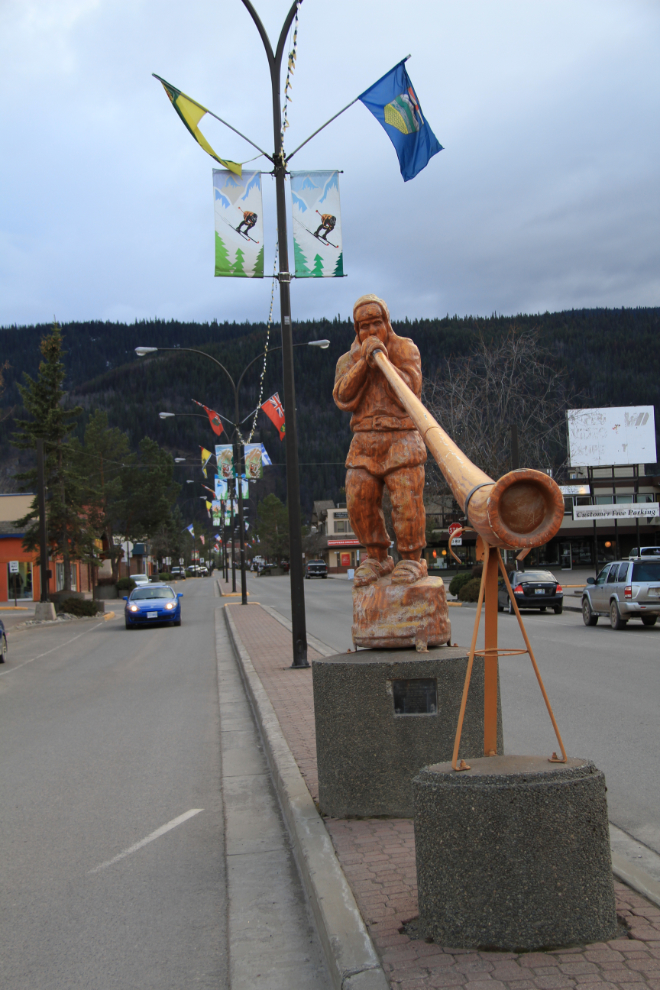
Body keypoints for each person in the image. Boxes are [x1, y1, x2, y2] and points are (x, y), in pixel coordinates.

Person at [333, 294, 427, 588]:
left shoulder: (405, 348)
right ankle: (377, 556)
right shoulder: (348, 360)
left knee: (406, 499)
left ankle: (411, 558)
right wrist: (365, 361)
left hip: (401, 436)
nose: (371, 332)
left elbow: (410, 391)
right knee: (357, 497)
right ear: (356, 331)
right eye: (364, 327)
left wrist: (383, 360)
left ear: (387, 324)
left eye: (376, 324)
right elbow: (343, 397)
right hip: (364, 439)